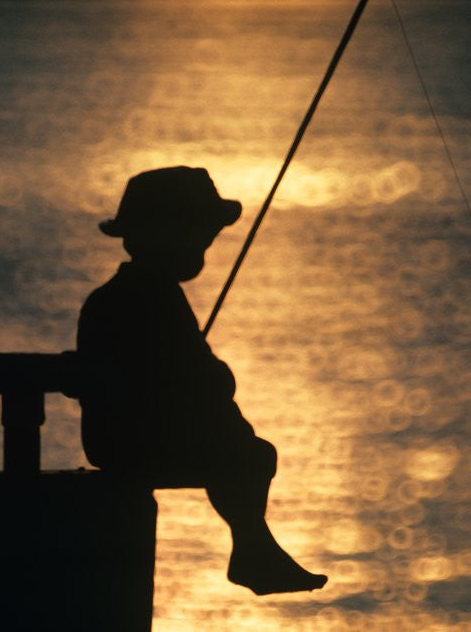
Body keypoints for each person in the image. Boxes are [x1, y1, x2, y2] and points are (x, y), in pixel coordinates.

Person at [76, 166, 327, 596]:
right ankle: (252, 550)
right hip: (131, 442)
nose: (205, 246)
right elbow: (194, 378)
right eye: (199, 236)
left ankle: (253, 549)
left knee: (240, 444)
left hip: (119, 437)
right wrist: (217, 377)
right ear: (168, 234)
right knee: (249, 455)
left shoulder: (127, 295)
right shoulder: (152, 298)